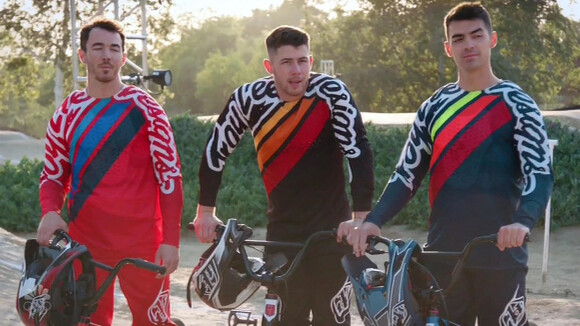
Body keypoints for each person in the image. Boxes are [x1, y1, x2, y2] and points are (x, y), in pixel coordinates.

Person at [338, 2, 554, 326]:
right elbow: (406, 174)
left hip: (500, 253)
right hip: (443, 256)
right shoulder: (433, 107)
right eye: (458, 38)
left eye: (476, 35)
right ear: (448, 47)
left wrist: (523, 222)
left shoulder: (517, 103)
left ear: (491, 39)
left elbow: (540, 171)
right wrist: (374, 220)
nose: (468, 44)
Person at [192, 25, 375, 325]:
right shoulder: (249, 98)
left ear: (311, 61)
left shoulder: (330, 93)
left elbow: (358, 150)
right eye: (287, 62)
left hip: (333, 233)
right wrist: (205, 212)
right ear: (269, 66)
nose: (297, 71)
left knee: (333, 319)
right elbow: (215, 150)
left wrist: (361, 218)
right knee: (287, 319)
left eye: (302, 61)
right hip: (282, 233)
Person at [36, 18, 183, 326]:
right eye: (98, 48)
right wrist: (50, 211)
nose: (107, 55)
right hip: (85, 241)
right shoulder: (66, 112)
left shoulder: (147, 109)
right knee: (86, 321)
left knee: (153, 323)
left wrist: (171, 240)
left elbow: (170, 177)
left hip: (143, 241)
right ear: (82, 55)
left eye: (114, 49)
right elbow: (52, 175)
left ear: (124, 57)